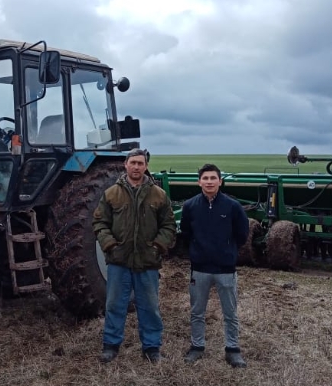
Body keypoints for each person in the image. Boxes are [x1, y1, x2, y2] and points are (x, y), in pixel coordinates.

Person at [93, 148, 176, 364]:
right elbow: (100, 223)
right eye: (133, 163)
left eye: (140, 163)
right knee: (114, 305)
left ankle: (151, 347)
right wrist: (110, 245)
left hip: (147, 262)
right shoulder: (111, 194)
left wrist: (157, 247)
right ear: (126, 165)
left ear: (146, 166)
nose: (136, 167)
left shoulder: (158, 195)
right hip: (119, 261)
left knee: (150, 307)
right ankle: (111, 345)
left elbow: (168, 225)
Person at [180, 163, 249, 367]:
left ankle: (233, 350)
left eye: (213, 178)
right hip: (199, 269)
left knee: (230, 312)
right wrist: (197, 252)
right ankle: (197, 347)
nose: (209, 182)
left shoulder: (233, 207)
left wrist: (227, 252)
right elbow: (185, 233)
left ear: (220, 181)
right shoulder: (190, 206)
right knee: (197, 312)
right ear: (199, 182)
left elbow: (242, 234)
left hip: (225, 269)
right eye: (205, 178)